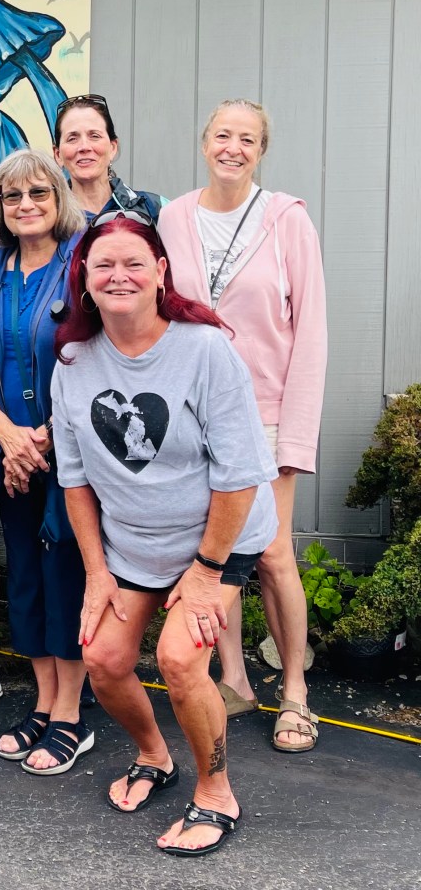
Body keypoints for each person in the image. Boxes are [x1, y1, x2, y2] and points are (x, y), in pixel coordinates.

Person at [52, 212, 279, 857]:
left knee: (180, 659)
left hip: (219, 540)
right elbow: (75, 483)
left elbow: (239, 478)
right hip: (132, 543)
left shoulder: (204, 350)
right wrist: (97, 572)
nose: (118, 275)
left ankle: (215, 791)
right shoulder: (72, 363)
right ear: (85, 282)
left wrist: (207, 572)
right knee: (103, 659)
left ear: (160, 273)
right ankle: (155, 754)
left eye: (133, 263)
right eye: (103, 266)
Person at [159, 99, 327, 753]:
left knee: (275, 556)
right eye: (223, 134)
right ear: (205, 142)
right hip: (196, 411)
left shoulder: (285, 220)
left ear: (261, 150)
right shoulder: (174, 217)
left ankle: (295, 692)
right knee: (214, 553)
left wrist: (297, 434)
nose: (234, 146)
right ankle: (233, 679)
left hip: (266, 415)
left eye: (248, 138)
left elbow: (309, 330)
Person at [0, 150, 93, 774]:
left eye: (39, 192)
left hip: (70, 453)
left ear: (59, 200)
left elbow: (98, 355)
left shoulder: (81, 264)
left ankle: (71, 714)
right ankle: (42, 699)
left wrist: (43, 439)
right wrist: (9, 437)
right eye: (13, 197)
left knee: (66, 571)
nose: (26, 205)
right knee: (27, 575)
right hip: (6, 451)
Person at [53, 93, 164, 222]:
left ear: (112, 148)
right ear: (58, 154)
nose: (84, 147)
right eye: (72, 138)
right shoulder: (49, 219)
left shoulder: (155, 209)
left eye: (94, 136)